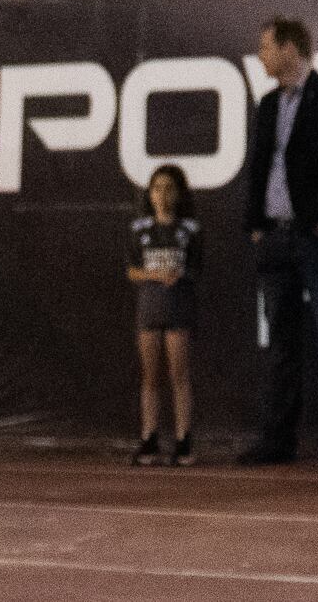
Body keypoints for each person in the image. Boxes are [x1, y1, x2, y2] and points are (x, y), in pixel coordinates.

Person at [234, 16, 318, 472]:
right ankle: (277, 439)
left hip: (316, 237)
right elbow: (259, 166)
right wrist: (255, 222)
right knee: (281, 344)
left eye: (266, 47)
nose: (261, 56)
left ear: (290, 48)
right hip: (275, 237)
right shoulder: (268, 103)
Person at [125, 163, 201, 466]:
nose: (162, 194)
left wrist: (178, 274)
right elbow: (131, 270)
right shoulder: (140, 230)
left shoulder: (190, 230)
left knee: (179, 374)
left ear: (179, 193)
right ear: (150, 193)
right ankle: (149, 436)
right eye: (156, 188)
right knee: (150, 375)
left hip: (178, 307)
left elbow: (196, 268)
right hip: (149, 308)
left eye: (169, 188)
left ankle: (183, 438)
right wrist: (153, 274)